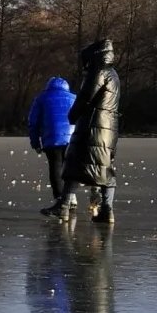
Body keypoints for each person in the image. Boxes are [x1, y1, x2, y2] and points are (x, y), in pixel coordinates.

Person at [58, 38, 121, 224]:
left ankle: (63, 206)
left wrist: (73, 115)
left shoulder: (99, 71)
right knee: (105, 169)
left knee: (75, 164)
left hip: (94, 126)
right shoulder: (113, 73)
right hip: (109, 127)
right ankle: (107, 210)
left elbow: (86, 97)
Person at [28, 77, 77, 216]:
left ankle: (60, 200)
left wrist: (35, 143)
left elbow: (33, 122)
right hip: (72, 140)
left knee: (55, 167)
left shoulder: (41, 98)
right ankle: (71, 198)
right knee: (70, 169)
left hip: (51, 139)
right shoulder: (74, 98)